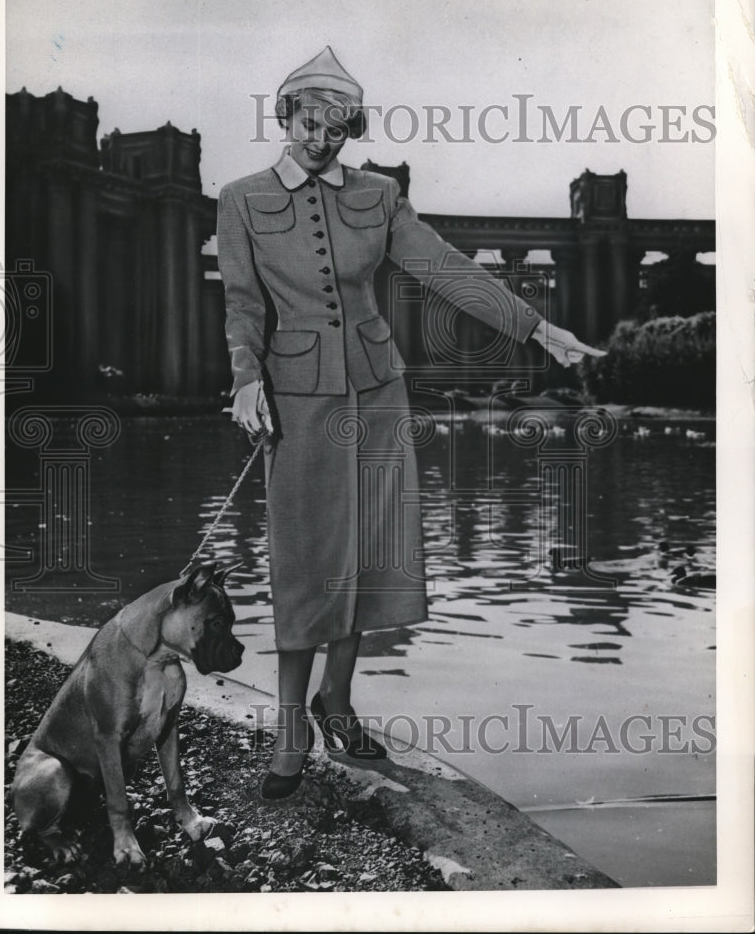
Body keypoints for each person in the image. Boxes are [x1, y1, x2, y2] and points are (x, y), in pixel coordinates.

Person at [218, 46, 603, 800]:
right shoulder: (240, 198)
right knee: (303, 556)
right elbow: (242, 303)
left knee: (370, 548)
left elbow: (445, 267)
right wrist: (243, 380)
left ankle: (340, 699)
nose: (323, 139)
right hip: (295, 397)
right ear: (284, 117)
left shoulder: (380, 195)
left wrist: (541, 330)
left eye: (338, 127)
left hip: (379, 389)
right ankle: (292, 726)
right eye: (309, 123)